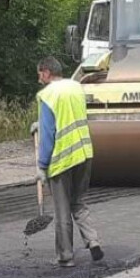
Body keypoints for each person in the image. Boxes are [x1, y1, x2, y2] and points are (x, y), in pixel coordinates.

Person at [35, 56, 103, 267]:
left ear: (46, 72)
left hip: (62, 158)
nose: (39, 79)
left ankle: (65, 256)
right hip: (84, 152)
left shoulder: (47, 95)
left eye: (39, 74)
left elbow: (48, 134)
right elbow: (68, 116)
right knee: (79, 202)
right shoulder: (76, 87)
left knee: (62, 209)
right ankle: (93, 242)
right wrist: (38, 122)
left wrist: (42, 165)